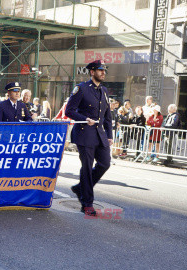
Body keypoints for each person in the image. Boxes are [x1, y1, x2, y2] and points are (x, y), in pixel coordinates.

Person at [65, 60, 113, 216]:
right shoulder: (81, 89)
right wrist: (85, 118)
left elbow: (107, 115)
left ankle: (80, 188)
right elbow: (69, 111)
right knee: (86, 167)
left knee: (105, 164)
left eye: (104, 70)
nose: (103, 73)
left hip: (100, 134)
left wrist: (110, 135)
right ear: (92, 72)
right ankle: (87, 203)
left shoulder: (104, 90)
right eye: (100, 70)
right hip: (84, 134)